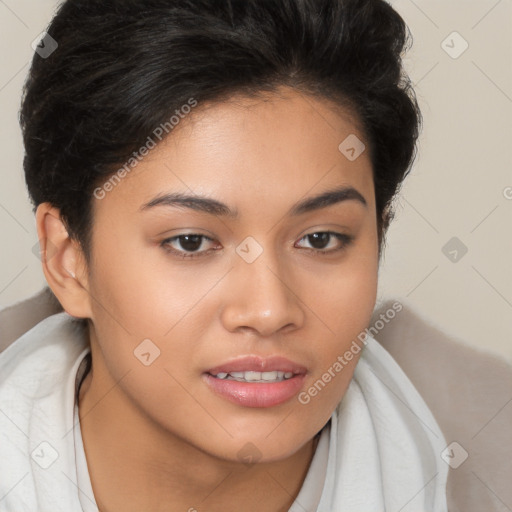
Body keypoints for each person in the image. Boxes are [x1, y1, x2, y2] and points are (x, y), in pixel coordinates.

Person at [0, 0, 452, 510]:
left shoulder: (482, 469)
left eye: (321, 239)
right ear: (68, 260)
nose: (268, 311)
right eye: (190, 242)